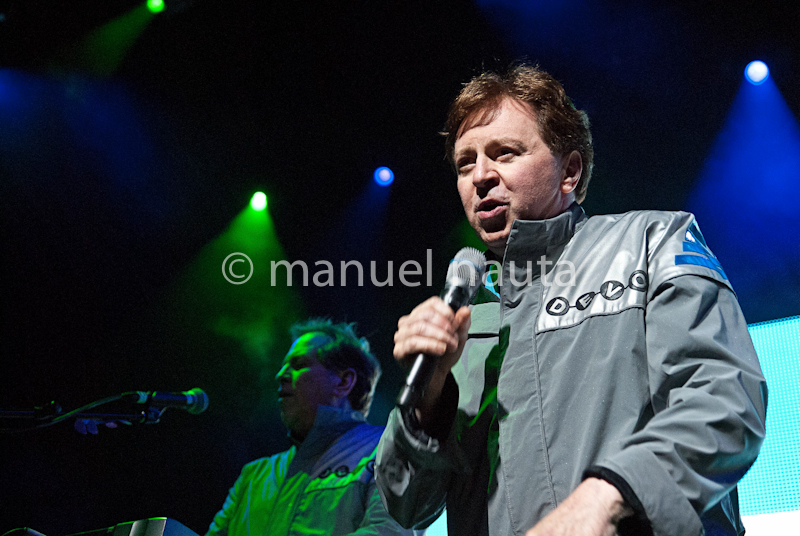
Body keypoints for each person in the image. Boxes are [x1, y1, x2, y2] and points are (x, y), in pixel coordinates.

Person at [375, 65, 767, 536]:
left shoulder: (651, 242)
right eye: (465, 163)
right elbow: (404, 505)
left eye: (505, 153)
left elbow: (725, 399)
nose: (480, 176)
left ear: (571, 171)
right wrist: (428, 399)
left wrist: (610, 496)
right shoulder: (461, 321)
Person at [207, 319, 415, 536]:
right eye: (283, 366)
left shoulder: (388, 448)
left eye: (298, 365)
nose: (280, 375)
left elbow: (389, 532)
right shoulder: (254, 475)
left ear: (344, 382)